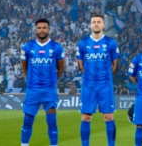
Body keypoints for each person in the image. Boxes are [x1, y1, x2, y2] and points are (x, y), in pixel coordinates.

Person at [19, 18, 65, 146]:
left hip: (49, 90)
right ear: (35, 30)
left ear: (49, 30)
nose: (42, 30)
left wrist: (54, 81)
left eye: (44, 28)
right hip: (32, 90)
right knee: (27, 121)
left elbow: (61, 67)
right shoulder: (28, 47)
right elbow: (25, 66)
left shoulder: (56, 47)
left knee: (52, 122)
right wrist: (31, 80)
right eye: (39, 28)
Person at [76, 14, 120, 146]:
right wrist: (90, 76)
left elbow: (115, 64)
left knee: (109, 116)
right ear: (90, 25)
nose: (96, 24)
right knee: (86, 117)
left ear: (103, 25)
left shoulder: (111, 43)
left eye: (98, 22)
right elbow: (80, 65)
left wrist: (105, 76)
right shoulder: (83, 43)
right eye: (93, 22)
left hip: (105, 85)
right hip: (88, 85)